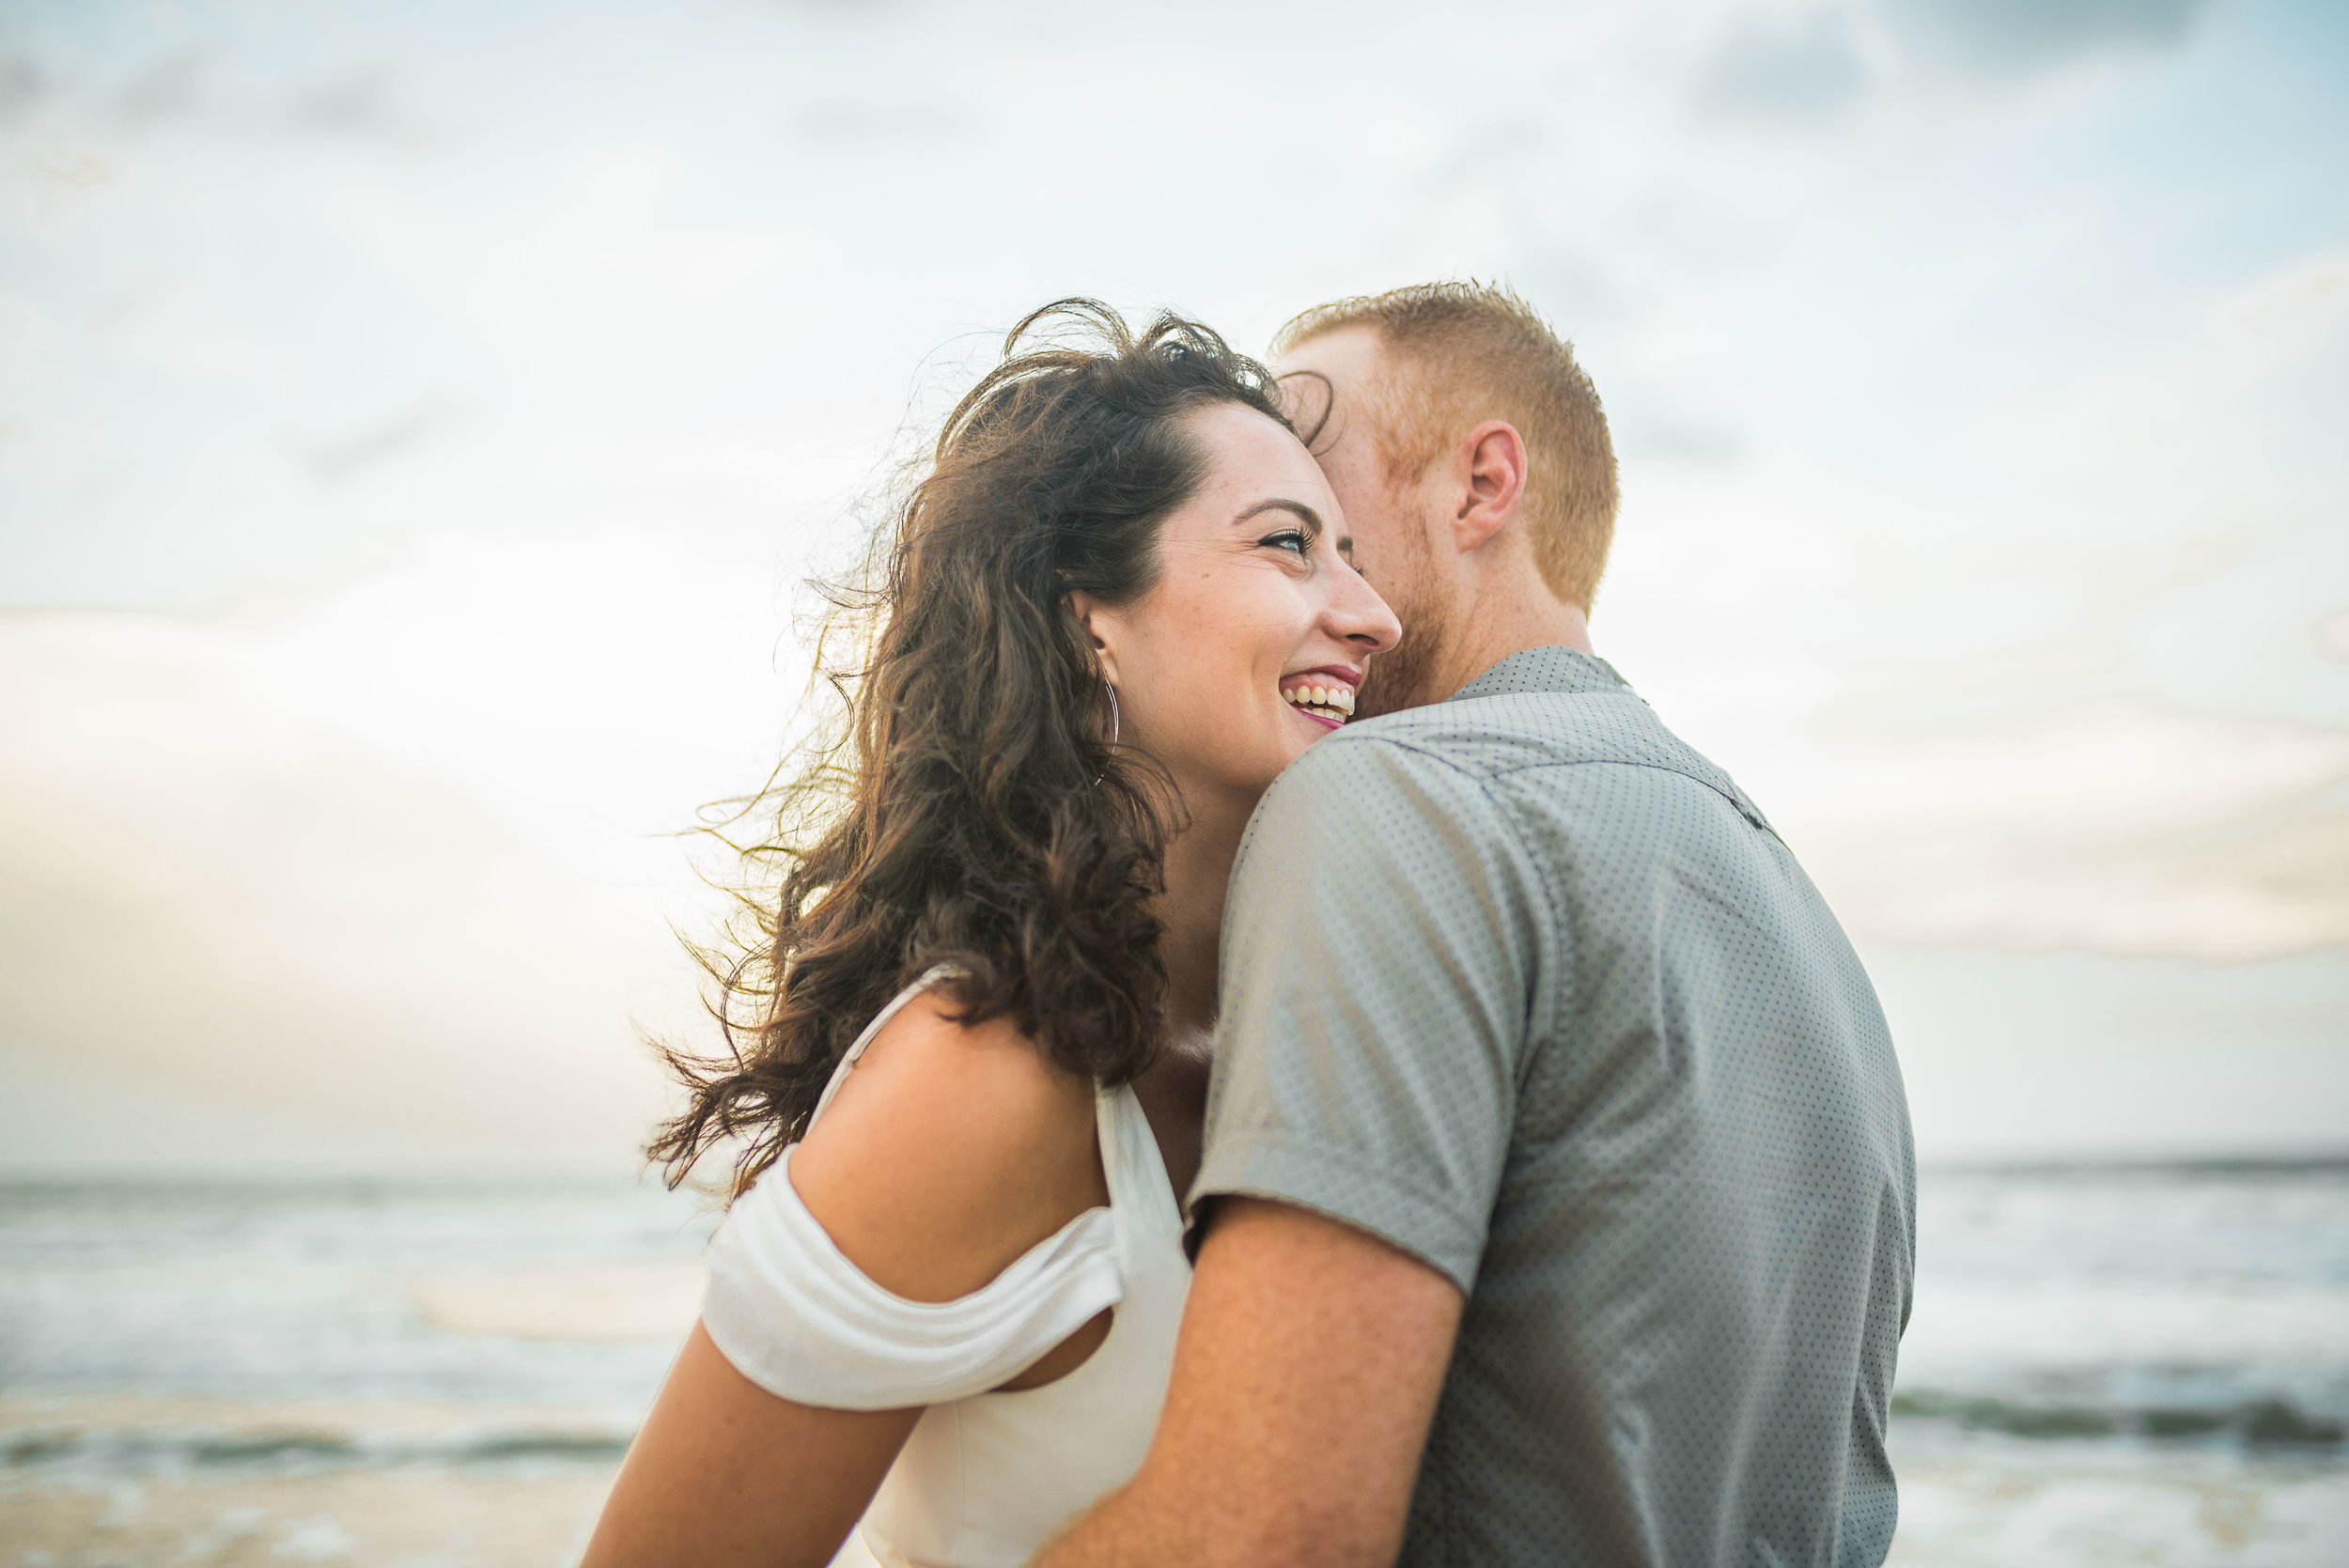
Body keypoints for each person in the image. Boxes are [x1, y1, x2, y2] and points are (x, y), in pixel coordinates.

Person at [1031, 284, 1917, 1568]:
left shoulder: (1390, 800)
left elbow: (1266, 1537)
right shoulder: (1808, 928)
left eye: (1309, 484)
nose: (1302, 542)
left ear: (1480, 484)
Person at [578, 301, 1399, 1568]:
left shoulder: (1296, 1023)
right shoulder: (980, 1076)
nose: (1371, 615)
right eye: (1289, 545)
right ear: (1089, 620)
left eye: (1354, 553)